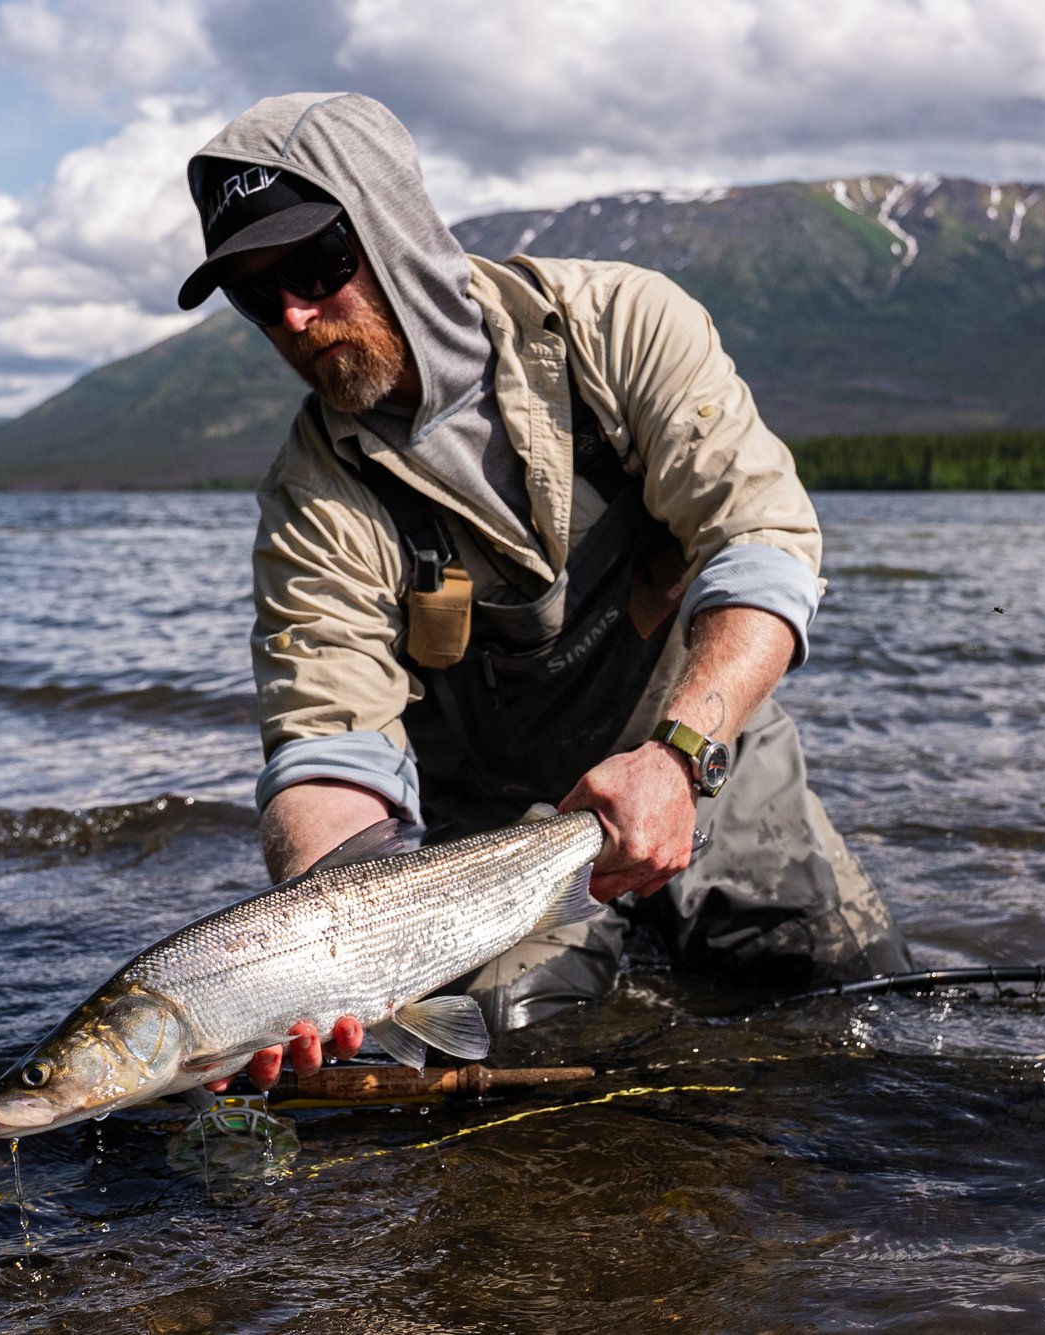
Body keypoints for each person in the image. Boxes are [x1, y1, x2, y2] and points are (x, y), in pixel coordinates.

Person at [174, 93, 910, 1090]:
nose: (295, 318)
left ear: (393, 232)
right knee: (490, 1057)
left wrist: (677, 753)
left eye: (316, 269)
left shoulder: (618, 325)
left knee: (865, 1027)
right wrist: (319, 946)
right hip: (494, 842)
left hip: (707, 755)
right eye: (259, 298)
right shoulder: (313, 497)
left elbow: (762, 543)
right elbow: (326, 750)